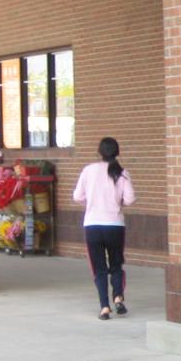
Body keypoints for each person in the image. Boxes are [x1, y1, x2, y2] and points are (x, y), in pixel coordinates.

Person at [72, 137, 137, 320]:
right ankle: (118, 296)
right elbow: (130, 199)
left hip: (93, 224)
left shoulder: (88, 170)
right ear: (117, 152)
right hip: (115, 225)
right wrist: (118, 203)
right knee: (116, 264)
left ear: (99, 152)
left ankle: (104, 307)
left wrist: (90, 203)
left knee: (99, 268)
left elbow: (77, 196)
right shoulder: (122, 172)